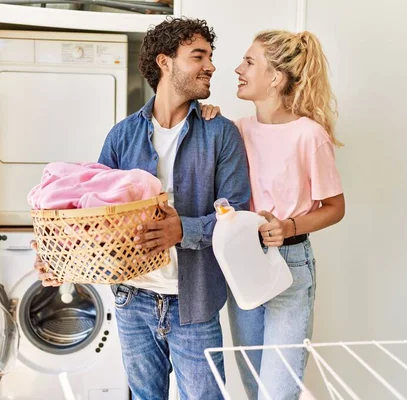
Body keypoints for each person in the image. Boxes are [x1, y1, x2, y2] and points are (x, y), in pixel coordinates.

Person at [33, 17, 251, 400]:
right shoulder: (122, 135)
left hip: (194, 300)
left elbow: (238, 216)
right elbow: (93, 218)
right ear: (165, 62)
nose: (212, 65)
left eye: (211, 56)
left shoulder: (221, 133)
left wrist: (183, 229)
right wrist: (59, 259)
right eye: (198, 56)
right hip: (132, 298)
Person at [201, 30, 345, 400]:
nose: (238, 68)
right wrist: (208, 119)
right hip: (243, 262)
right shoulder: (235, 130)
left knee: (277, 393)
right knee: (253, 386)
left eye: (249, 62)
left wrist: (289, 226)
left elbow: (335, 208)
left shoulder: (310, 136)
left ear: (276, 78)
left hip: (291, 267)